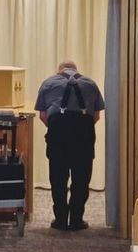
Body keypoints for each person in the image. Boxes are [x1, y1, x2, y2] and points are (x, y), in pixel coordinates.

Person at [35, 61, 105, 231]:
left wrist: (57, 128)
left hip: (59, 133)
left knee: (58, 176)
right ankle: (76, 219)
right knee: (81, 177)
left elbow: (43, 115)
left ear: (59, 71)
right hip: (84, 134)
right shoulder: (90, 83)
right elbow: (96, 116)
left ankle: (60, 219)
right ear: (76, 70)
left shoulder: (48, 83)